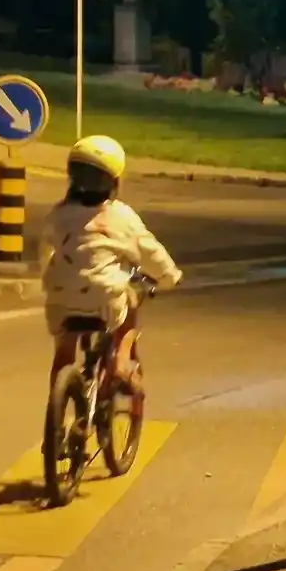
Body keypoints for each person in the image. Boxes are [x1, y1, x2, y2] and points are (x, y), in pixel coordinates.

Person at [38, 134, 182, 404]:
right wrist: (169, 277)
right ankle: (121, 360)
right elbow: (150, 251)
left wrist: (48, 275)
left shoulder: (58, 214)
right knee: (130, 305)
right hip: (107, 299)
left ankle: (54, 412)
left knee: (64, 350)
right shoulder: (121, 216)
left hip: (60, 298)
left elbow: (45, 251)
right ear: (115, 181)